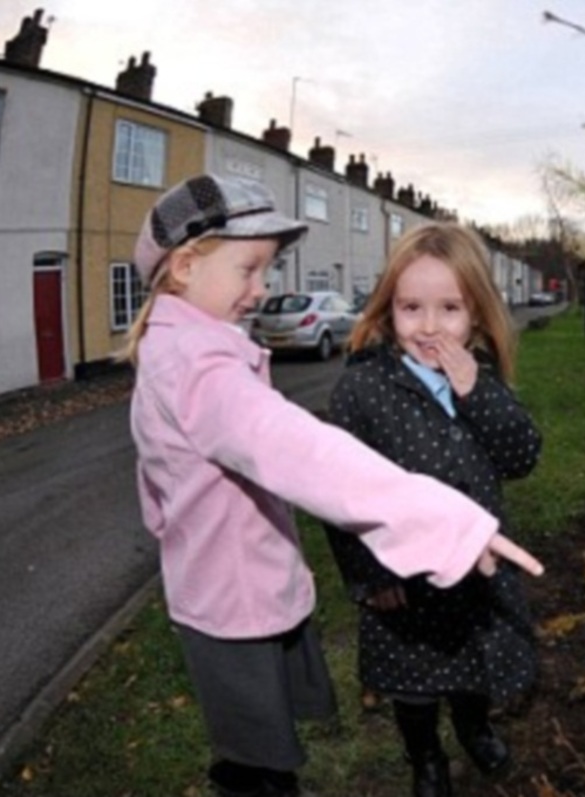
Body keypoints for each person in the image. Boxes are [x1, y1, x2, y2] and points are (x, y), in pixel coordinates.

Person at [122, 174, 543, 797]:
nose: (262, 289)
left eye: (266, 270)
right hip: (236, 599)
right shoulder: (200, 367)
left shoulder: (182, 348)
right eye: (249, 269)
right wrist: (436, 526)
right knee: (256, 761)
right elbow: (303, 452)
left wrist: (171, 526)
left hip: (230, 586)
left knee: (260, 756)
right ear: (184, 265)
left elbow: (154, 479)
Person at [324, 222, 542, 797]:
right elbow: (335, 492)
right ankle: (425, 758)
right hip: (404, 578)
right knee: (415, 688)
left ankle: (474, 729)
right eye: (411, 307)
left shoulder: (484, 379)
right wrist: (368, 575)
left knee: (472, 671)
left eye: (449, 308)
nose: (428, 325)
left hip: (476, 572)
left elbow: (522, 457)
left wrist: (477, 393)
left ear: (475, 312)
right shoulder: (362, 390)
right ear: (388, 308)